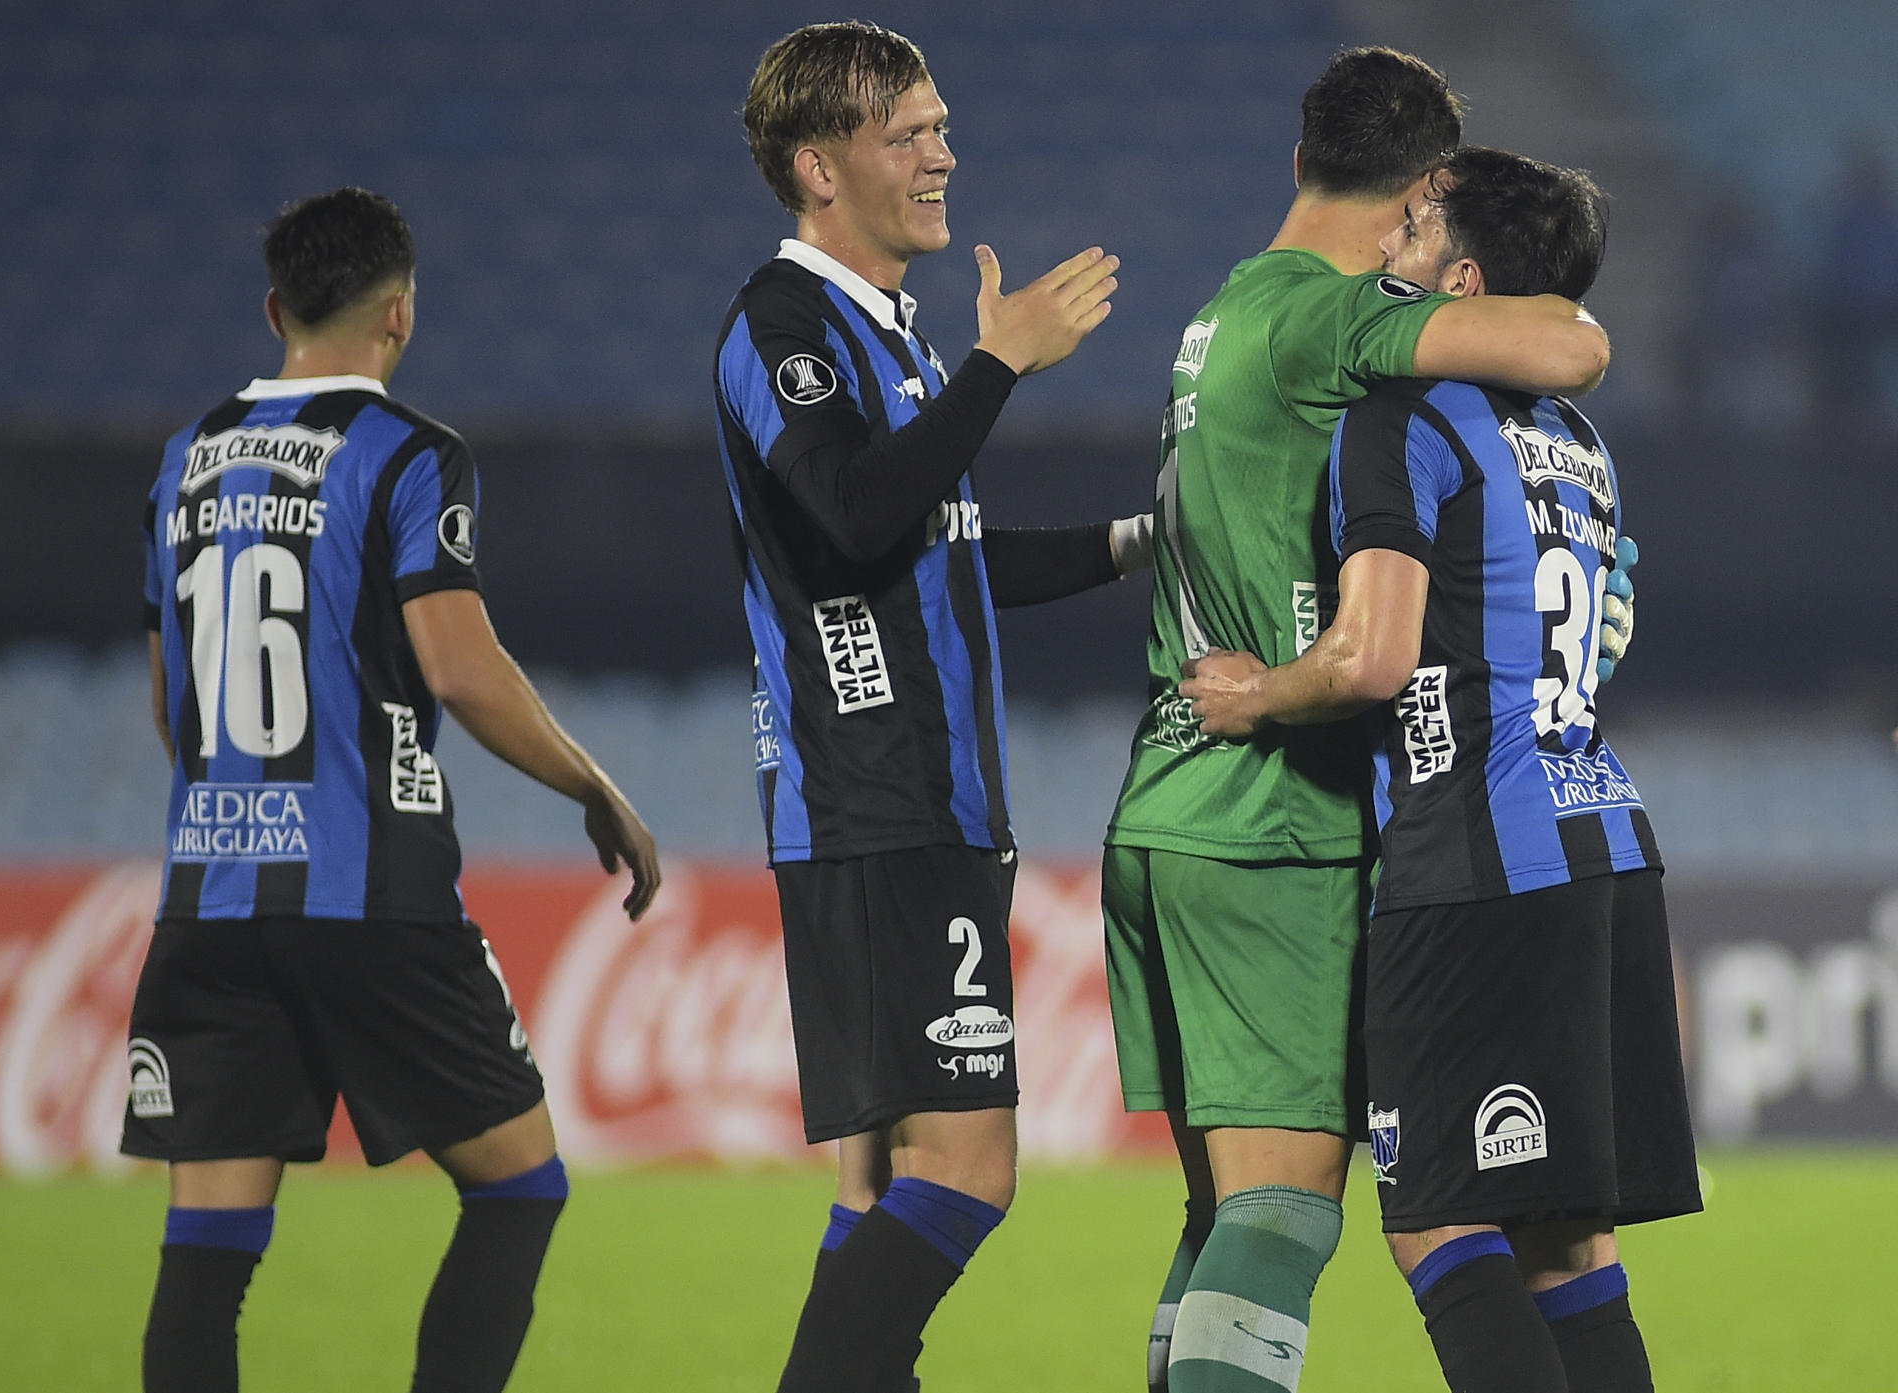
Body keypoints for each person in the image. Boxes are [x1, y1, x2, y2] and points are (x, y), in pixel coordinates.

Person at [1100, 48, 1623, 1393]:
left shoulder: (1222, 311)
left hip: (1172, 793)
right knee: (1284, 1211)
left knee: (1227, 1209)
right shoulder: (1339, 321)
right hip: (1278, 810)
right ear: (1423, 196)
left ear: (1297, 164)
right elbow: (1566, 339)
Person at [1180, 146, 1701, 1393]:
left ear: (1461, 283)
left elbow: (1372, 657)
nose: (1383, 250)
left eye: (1410, 234)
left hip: (1479, 859)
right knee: (1566, 1246)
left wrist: (1256, 693)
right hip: (1608, 847)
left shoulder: (1401, 419)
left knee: (1440, 1221)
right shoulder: (1576, 438)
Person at [124, 187, 660, 1393]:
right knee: (521, 1186)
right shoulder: (411, 453)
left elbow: (174, 704)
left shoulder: (184, 460)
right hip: (370, 896)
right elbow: (461, 670)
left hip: (205, 908)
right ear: (401, 314)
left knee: (204, 1258)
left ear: (276, 308)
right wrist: (593, 786)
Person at [716, 21, 1149, 1393]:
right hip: (875, 798)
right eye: (909, 134)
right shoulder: (779, 325)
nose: (944, 153)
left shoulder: (885, 337)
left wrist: (1149, 539)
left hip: (920, 805)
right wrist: (1000, 364)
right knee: (968, 1170)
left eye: (941, 126)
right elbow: (850, 518)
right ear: (819, 166)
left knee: (877, 1193)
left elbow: (949, 546)